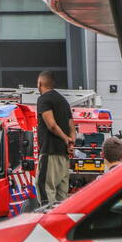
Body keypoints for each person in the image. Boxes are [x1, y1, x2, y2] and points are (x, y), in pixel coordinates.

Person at [35, 71, 75, 205]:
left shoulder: (44, 99)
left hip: (50, 152)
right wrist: (71, 142)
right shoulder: (64, 101)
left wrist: (65, 138)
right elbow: (72, 126)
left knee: (44, 188)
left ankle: (48, 223)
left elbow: (51, 125)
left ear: (40, 83)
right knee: (61, 199)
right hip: (64, 157)